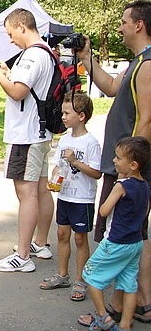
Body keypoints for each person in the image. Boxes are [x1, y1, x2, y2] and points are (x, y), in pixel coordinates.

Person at [74, 0, 151, 324]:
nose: (119, 26)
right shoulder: (137, 63)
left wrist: (129, 174)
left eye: (123, 21)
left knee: (126, 234)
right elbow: (109, 86)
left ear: (139, 25)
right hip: (124, 167)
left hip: (128, 169)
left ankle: (128, 306)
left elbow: (147, 121)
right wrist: (86, 58)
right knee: (134, 234)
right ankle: (132, 304)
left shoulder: (147, 66)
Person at [0, 8, 55, 272]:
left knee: (25, 192)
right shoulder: (46, 52)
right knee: (39, 189)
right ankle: (39, 243)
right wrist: (9, 71)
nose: (11, 40)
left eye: (11, 33)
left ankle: (22, 256)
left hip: (25, 135)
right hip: (39, 132)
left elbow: (17, 92)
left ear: (22, 27)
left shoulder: (32, 55)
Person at [78, 137, 151, 331]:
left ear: (133, 165)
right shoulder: (145, 186)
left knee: (90, 275)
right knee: (128, 282)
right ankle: (125, 324)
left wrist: (116, 188)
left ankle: (104, 317)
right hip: (135, 243)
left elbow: (103, 211)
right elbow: (145, 212)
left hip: (115, 242)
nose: (114, 161)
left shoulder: (121, 186)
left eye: (118, 158)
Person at [39, 91, 101, 302]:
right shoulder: (64, 140)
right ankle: (62, 274)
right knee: (62, 235)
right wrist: (54, 177)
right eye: (63, 113)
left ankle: (80, 279)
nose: (63, 117)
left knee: (80, 238)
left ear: (81, 116)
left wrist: (75, 162)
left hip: (83, 199)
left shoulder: (90, 142)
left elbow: (96, 173)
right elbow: (58, 165)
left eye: (67, 113)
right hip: (65, 196)